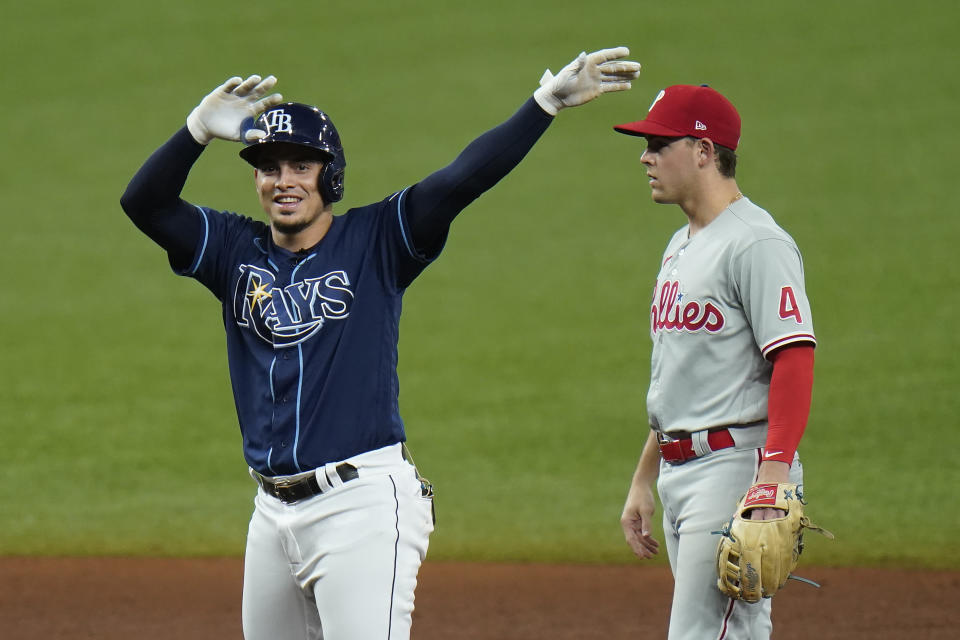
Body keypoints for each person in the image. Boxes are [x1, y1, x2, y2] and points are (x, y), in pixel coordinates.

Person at [120, 48, 640, 640]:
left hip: (360, 507)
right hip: (271, 514)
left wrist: (544, 103)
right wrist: (194, 132)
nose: (283, 182)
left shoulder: (379, 239)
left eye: (300, 166)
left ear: (329, 175)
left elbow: (462, 179)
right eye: (269, 168)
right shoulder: (232, 250)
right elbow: (144, 203)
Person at [614, 85, 816, 639]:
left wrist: (772, 475)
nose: (645, 157)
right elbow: (682, 377)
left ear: (704, 150)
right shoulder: (681, 245)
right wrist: (643, 477)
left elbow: (794, 356)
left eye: (659, 144)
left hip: (733, 471)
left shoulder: (755, 243)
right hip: (681, 473)